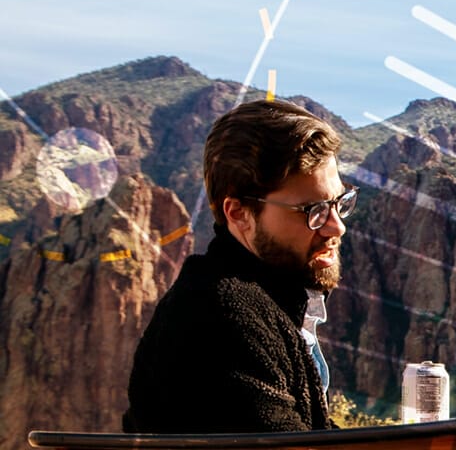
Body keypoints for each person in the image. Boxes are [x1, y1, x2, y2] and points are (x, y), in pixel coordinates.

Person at [125, 99, 351, 433]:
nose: (336, 227)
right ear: (238, 213)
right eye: (313, 211)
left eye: (340, 203)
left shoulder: (262, 304)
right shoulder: (218, 316)